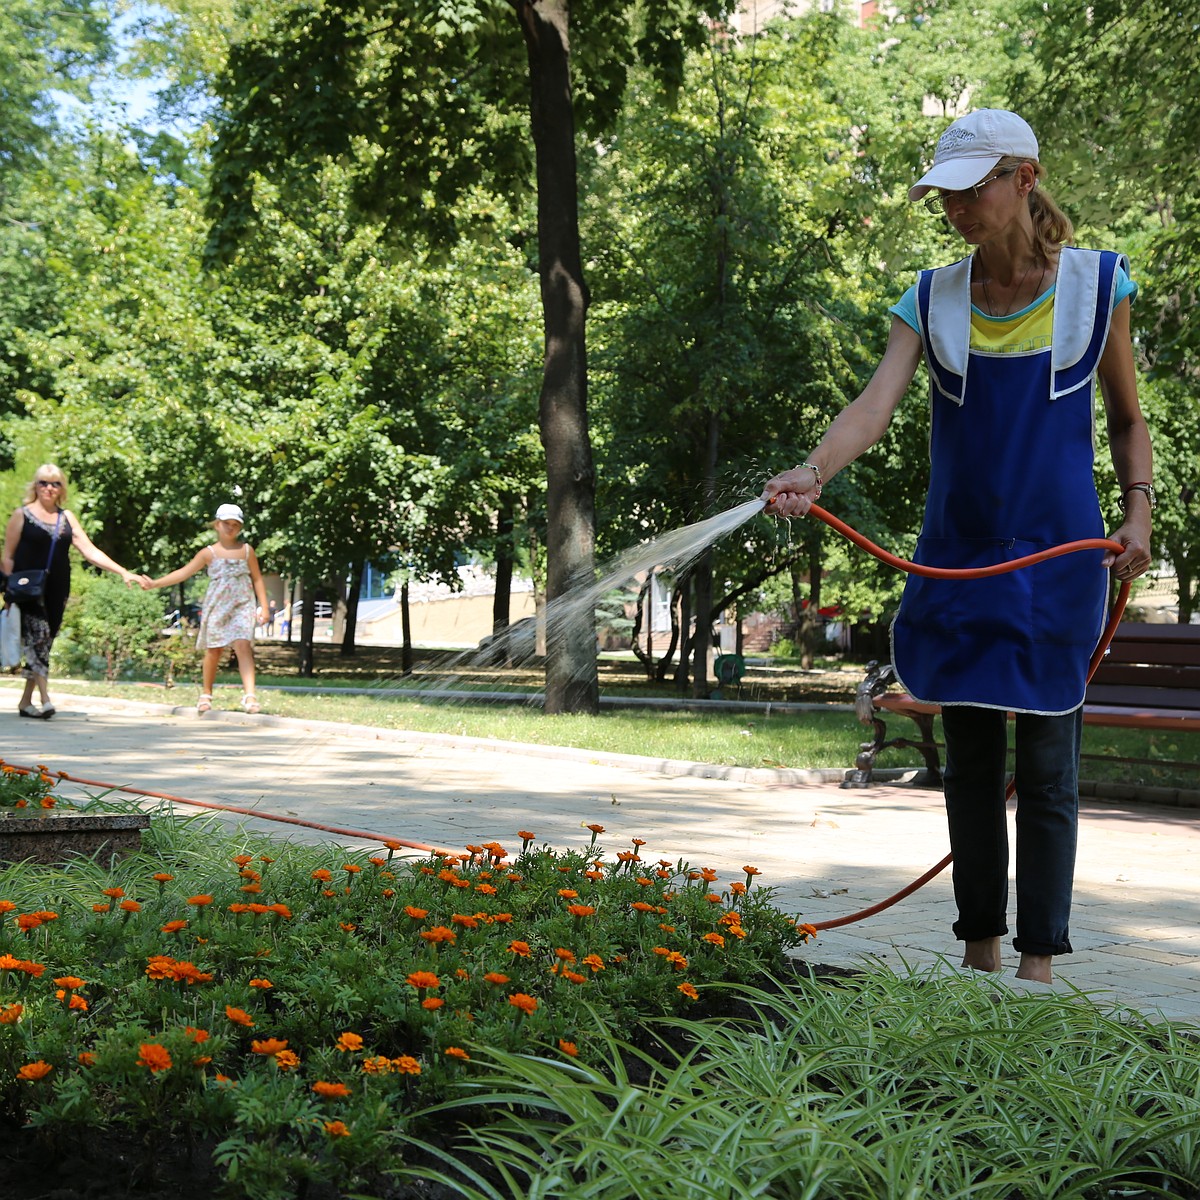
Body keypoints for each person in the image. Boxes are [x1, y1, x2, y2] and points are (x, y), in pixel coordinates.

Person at [761, 109, 1153, 985]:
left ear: (1023, 179)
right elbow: (872, 407)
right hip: (960, 558)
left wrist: (1138, 513)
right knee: (971, 763)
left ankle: (1039, 969)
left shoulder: (1097, 287)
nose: (956, 209)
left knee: (1049, 763)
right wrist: (813, 469)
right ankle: (979, 954)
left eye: (972, 189)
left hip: (1057, 562)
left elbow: (1128, 420)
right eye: (945, 194)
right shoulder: (932, 296)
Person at [1, 463, 145, 719]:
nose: (48, 488)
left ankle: (25, 702)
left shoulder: (65, 518)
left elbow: (89, 550)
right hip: (27, 590)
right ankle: (45, 699)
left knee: (45, 641)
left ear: (61, 488)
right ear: (35, 486)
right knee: (39, 636)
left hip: (57, 588)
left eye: (55, 483)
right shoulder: (21, 515)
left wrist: (122, 571)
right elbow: (8, 557)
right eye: (43, 482)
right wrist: (9, 591)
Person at [143, 503, 270, 714]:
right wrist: (155, 583)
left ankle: (250, 695)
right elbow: (184, 573)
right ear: (217, 525)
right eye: (226, 524)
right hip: (217, 606)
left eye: (235, 524)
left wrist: (264, 607)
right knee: (214, 650)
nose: (230, 528)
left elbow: (257, 579)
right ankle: (206, 693)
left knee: (243, 645)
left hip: (242, 605)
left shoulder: (247, 551)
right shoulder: (208, 553)